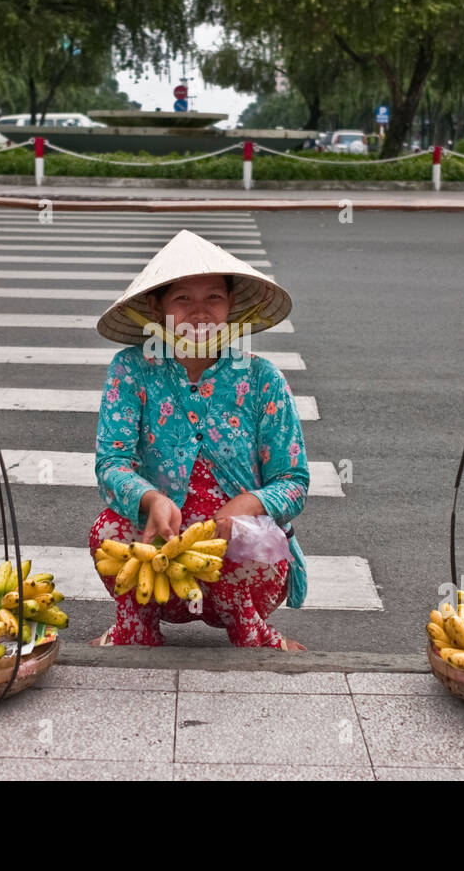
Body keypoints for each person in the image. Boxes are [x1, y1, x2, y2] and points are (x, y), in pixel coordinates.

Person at [88, 230, 309, 649]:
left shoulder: (263, 378)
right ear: (157, 307)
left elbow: (293, 481)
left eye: (214, 298)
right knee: (108, 531)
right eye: (183, 299)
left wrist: (241, 511)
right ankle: (136, 630)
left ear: (231, 306)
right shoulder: (130, 369)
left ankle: (253, 631)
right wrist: (152, 500)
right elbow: (111, 463)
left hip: (238, 561)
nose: (200, 313)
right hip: (162, 542)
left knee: (255, 540)